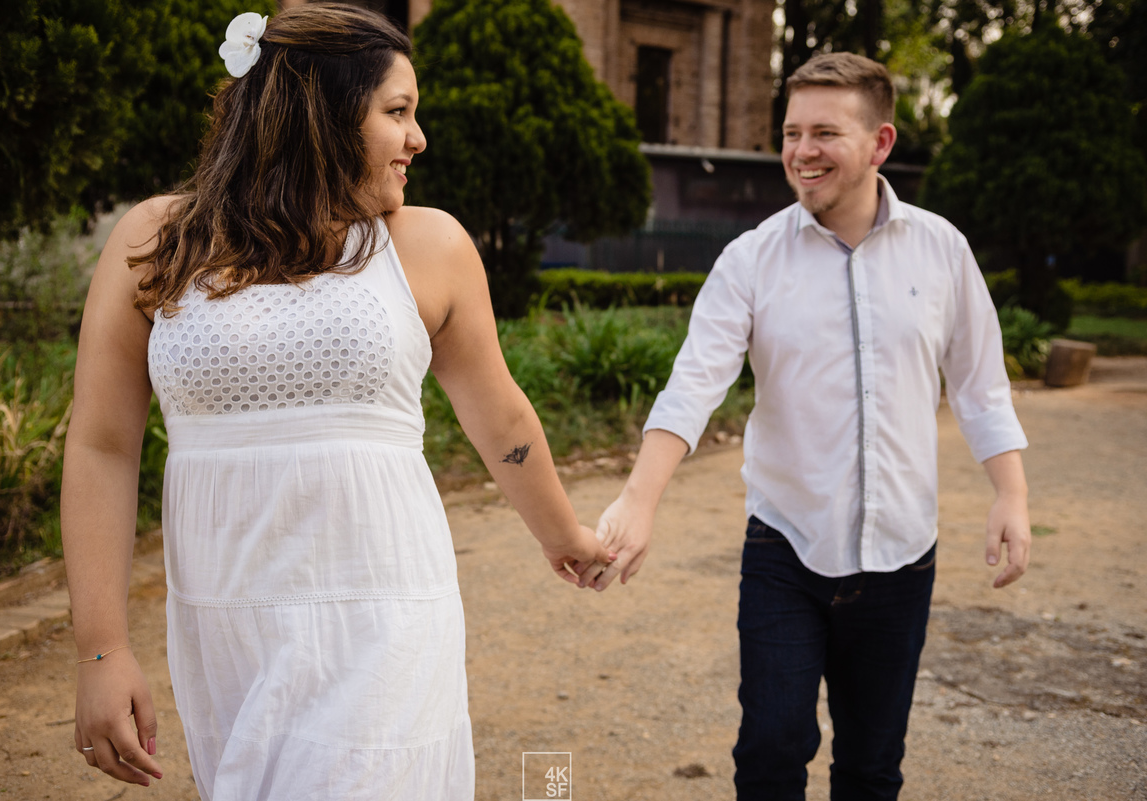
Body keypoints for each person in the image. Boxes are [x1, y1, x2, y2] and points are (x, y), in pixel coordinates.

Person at [60, 7, 612, 799]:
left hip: (383, 617)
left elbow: (503, 418)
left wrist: (567, 536)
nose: (419, 138)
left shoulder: (429, 246)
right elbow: (102, 445)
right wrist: (102, 651)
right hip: (226, 626)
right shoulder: (158, 240)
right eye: (398, 111)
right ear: (318, 114)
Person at [578, 52, 1031, 800]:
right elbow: (694, 384)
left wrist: (1010, 495)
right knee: (769, 751)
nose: (802, 152)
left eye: (825, 132)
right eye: (792, 132)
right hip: (784, 550)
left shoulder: (943, 250)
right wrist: (639, 497)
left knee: (871, 767)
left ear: (881, 143)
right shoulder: (750, 259)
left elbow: (981, 385)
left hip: (902, 559)